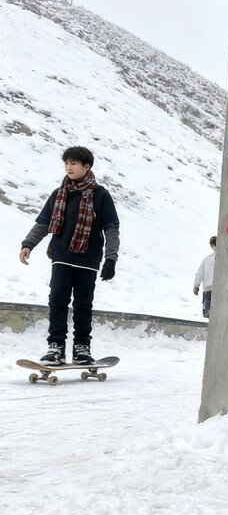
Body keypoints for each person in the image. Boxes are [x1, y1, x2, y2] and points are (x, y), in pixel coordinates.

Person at [19, 146, 120, 366]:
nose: (68, 167)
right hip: (61, 256)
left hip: (88, 260)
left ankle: (82, 348)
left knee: (83, 305)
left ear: (87, 166)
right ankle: (55, 347)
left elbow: (111, 229)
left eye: (73, 163)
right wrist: (28, 244)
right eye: (66, 163)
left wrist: (111, 258)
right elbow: (44, 223)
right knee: (57, 300)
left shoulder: (100, 195)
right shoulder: (59, 194)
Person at [193, 236, 217, 318]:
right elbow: (200, 273)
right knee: (208, 313)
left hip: (216, 289)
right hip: (208, 290)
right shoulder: (207, 259)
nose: (214, 247)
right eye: (213, 245)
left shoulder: (223, 258)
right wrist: (196, 285)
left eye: (215, 244)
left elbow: (200, 273)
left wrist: (196, 285)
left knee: (214, 314)